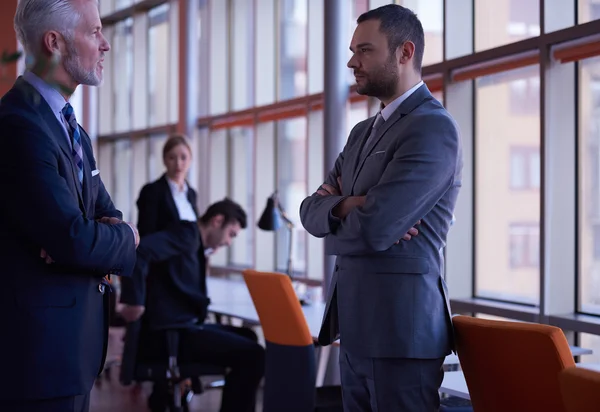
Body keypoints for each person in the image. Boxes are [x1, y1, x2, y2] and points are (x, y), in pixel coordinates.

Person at [299, 4, 463, 411]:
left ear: (405, 53)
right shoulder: (361, 133)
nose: (352, 62)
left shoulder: (432, 127)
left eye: (365, 50)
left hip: (401, 334)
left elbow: (376, 229)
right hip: (355, 328)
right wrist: (348, 206)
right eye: (353, 50)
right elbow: (308, 211)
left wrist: (341, 207)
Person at [0, 0, 139, 411]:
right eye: (94, 31)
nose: (106, 44)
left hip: (71, 355)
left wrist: (105, 234)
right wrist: (120, 236)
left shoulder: (70, 128)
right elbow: (74, 239)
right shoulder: (19, 125)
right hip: (38, 361)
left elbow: (92, 225)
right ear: (54, 43)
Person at [119, 134, 264, 412]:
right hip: (172, 327)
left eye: (183, 157)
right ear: (217, 220)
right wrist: (135, 299)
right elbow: (141, 247)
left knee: (249, 339)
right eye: (230, 235)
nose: (228, 243)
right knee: (255, 356)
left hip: (182, 318)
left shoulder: (191, 228)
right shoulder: (182, 229)